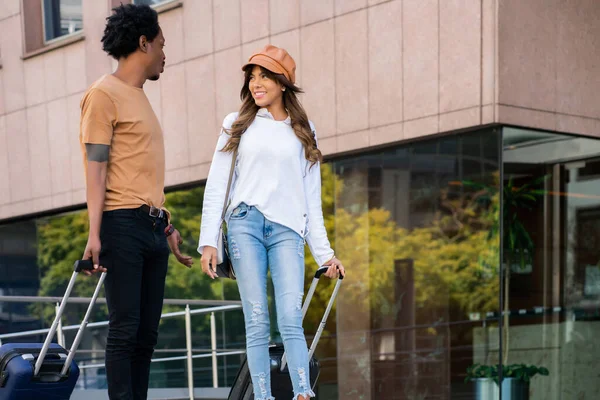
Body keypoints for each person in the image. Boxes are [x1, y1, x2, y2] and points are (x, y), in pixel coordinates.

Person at [198, 44, 345, 400]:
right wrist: (209, 241)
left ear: (283, 83)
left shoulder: (303, 129)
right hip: (244, 224)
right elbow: (218, 183)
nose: (256, 83)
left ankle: (302, 393)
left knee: (291, 317)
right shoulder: (236, 123)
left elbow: (312, 199)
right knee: (257, 320)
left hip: (288, 231)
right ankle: (262, 397)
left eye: (264, 76)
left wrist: (325, 254)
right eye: (252, 77)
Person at [79, 4, 193, 399]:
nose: (165, 53)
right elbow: (95, 169)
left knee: (147, 336)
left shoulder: (139, 98)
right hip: (120, 223)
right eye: (161, 44)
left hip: (151, 228)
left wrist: (166, 225)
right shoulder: (102, 94)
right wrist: (95, 235)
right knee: (125, 330)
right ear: (143, 43)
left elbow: (141, 172)